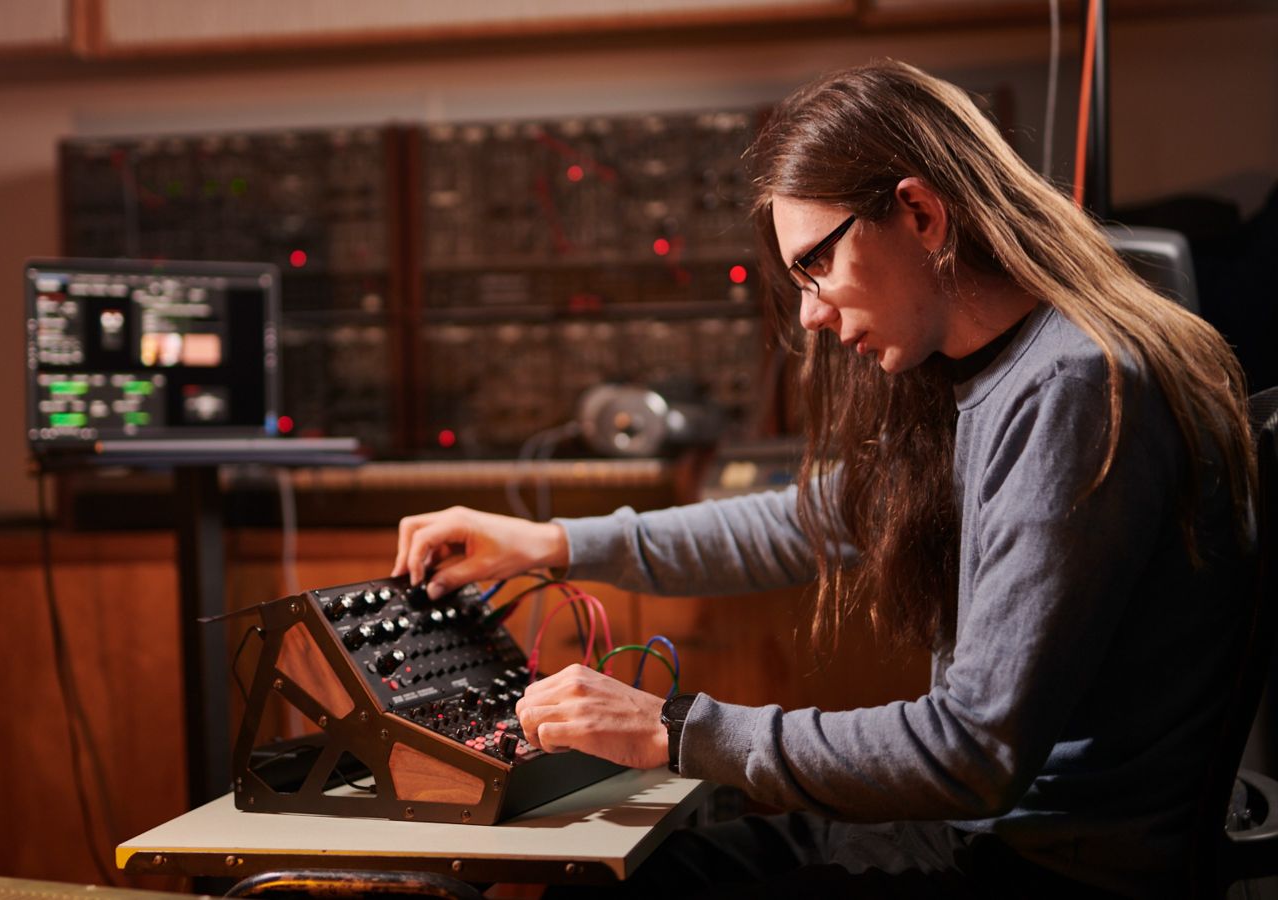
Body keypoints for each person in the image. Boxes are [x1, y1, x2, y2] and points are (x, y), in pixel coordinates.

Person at [390, 60, 1256, 898]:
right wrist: (556, 543)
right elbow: (803, 522)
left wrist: (671, 728)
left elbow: (972, 750)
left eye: (817, 264)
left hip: (1040, 867)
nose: (811, 311)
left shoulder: (1071, 387)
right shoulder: (994, 373)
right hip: (982, 838)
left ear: (919, 213)